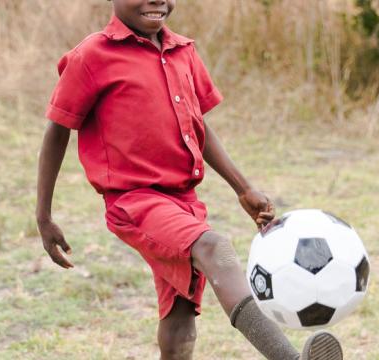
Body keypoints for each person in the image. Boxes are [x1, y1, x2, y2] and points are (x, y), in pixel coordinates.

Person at [35, 1, 343, 359]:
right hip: (133, 202)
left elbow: (199, 126)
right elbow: (57, 130)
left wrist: (243, 188)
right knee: (214, 248)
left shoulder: (183, 51)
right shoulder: (92, 55)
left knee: (180, 317)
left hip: (184, 202)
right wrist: (44, 215)